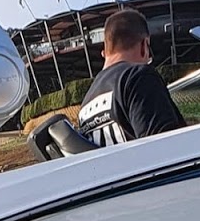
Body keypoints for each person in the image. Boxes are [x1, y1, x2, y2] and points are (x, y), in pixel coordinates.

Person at [78, 8, 185, 146]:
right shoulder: (138, 77)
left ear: (105, 51)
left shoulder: (86, 104)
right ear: (144, 45)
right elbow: (167, 147)